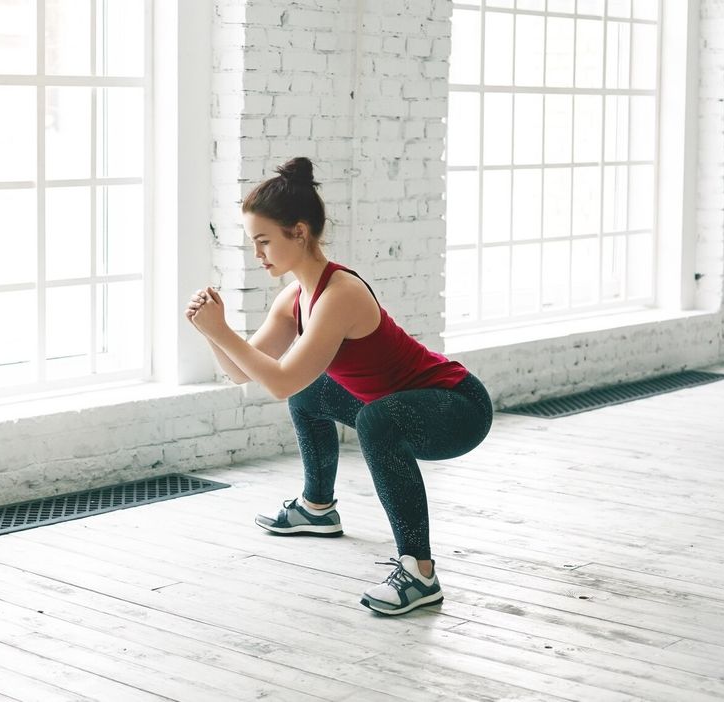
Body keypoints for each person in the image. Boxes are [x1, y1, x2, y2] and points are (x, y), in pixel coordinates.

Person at [184, 157, 493, 615]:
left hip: (458, 409)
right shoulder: (295, 297)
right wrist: (211, 330)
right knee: (316, 394)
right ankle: (317, 507)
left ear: (300, 233)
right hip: (398, 404)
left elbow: (280, 383)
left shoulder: (340, 294)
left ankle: (419, 572)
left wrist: (224, 332)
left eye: (264, 241)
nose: (258, 254)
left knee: (374, 419)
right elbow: (243, 372)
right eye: (254, 243)